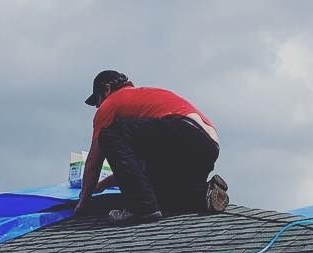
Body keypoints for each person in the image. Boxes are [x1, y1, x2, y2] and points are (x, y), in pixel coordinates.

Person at [74, 69, 229, 225]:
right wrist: (103, 184)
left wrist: (83, 202)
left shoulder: (110, 103)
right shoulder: (143, 103)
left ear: (106, 89)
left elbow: (94, 163)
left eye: (97, 101)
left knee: (108, 135)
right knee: (161, 196)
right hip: (208, 146)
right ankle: (205, 194)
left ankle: (141, 208)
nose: (97, 107)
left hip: (182, 131)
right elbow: (135, 168)